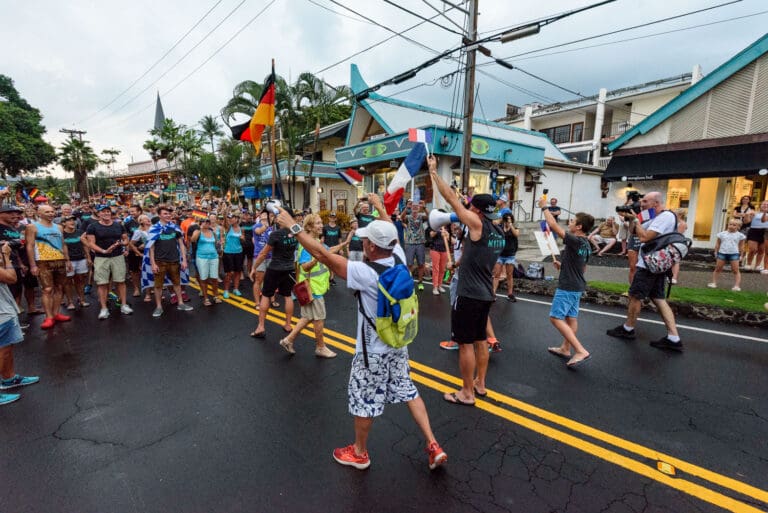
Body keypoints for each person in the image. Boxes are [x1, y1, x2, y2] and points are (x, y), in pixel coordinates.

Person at [274, 195, 447, 471]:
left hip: (373, 351)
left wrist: (292, 227)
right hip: (398, 343)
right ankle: (433, 444)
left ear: (369, 245)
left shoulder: (365, 272)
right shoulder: (399, 257)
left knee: (364, 401)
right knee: (408, 390)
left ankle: (359, 453)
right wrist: (380, 207)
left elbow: (322, 254)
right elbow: (389, 229)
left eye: (366, 240)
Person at [429, 155, 504, 406]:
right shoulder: (499, 230)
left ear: (477, 211)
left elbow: (451, 199)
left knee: (465, 344)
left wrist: (433, 172)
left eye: (471, 206)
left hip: (469, 293)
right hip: (485, 293)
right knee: (482, 340)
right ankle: (480, 384)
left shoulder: (477, 223)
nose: (468, 209)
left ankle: (466, 393)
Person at [607, 192, 683, 351]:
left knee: (635, 295)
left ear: (656, 202)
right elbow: (635, 232)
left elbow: (645, 237)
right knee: (658, 298)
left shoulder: (665, 217)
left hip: (649, 264)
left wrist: (635, 220)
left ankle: (628, 329)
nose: (642, 204)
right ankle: (674, 338)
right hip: (655, 264)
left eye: (645, 201)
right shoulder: (656, 217)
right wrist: (631, 218)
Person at [278, 213, 345, 358]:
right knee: (318, 318)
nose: (322, 226)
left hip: (314, 287)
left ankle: (288, 340)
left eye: (321, 223)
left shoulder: (314, 241)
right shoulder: (307, 244)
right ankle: (320, 347)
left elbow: (328, 251)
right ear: (309, 227)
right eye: (318, 223)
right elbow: (305, 267)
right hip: (313, 288)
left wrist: (345, 243)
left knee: (307, 317)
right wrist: (316, 259)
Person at [539, 199, 594, 368]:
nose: (570, 223)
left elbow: (553, 226)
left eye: (572, 221)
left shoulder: (576, 240)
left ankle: (579, 350)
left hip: (568, 286)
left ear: (579, 227)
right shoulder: (587, 245)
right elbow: (581, 267)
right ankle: (565, 348)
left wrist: (544, 208)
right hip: (577, 285)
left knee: (555, 318)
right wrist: (563, 267)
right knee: (571, 318)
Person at [0, 241, 38, 405]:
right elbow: (11, 277)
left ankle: (9, 379)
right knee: (2, 349)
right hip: (1, 313)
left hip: (4, 308)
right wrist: (7, 257)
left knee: (7, 347)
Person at [249, 211, 298, 338]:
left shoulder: (276, 234)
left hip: (275, 268)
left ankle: (261, 327)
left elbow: (263, 254)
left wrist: (254, 268)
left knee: (265, 296)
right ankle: (288, 324)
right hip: (289, 268)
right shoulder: (296, 231)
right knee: (287, 296)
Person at [26, 204, 73, 330]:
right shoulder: (32, 227)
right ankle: (49, 316)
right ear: (39, 213)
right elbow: (29, 246)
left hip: (59, 260)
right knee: (47, 289)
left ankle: (56, 313)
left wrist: (67, 260)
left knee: (59, 287)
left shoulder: (59, 227)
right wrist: (33, 265)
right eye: (47, 212)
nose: (51, 214)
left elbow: (63, 244)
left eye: (52, 211)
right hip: (43, 261)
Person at [85, 205, 132, 320]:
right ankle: (104, 308)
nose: (106, 213)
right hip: (101, 258)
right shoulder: (92, 226)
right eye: (103, 212)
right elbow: (91, 243)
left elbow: (126, 239)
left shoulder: (118, 225)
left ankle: (124, 305)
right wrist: (104, 251)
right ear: (99, 214)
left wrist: (121, 244)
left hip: (118, 257)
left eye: (108, 211)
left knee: (121, 281)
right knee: (102, 283)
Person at [147, 205, 193, 317]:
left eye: (169, 214)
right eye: (165, 213)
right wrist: (152, 263)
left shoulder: (175, 227)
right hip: (160, 261)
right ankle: (158, 307)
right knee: (158, 286)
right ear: (159, 215)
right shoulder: (154, 229)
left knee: (177, 283)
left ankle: (180, 303)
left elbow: (181, 244)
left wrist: (184, 260)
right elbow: (151, 247)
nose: (168, 215)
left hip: (174, 260)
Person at [708, 218, 747, 291]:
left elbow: (741, 246)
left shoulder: (740, 236)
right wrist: (716, 252)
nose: (731, 226)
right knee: (718, 269)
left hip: (734, 254)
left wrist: (741, 255)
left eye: (734, 225)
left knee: (735, 270)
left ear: (738, 227)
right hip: (722, 253)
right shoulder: (722, 234)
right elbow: (718, 243)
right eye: (730, 224)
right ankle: (713, 283)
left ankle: (737, 286)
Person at [61, 215, 91, 310]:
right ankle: (70, 301)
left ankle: (81, 300)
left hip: (81, 258)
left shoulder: (80, 232)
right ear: (64, 223)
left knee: (80, 280)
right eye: (69, 220)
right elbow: (61, 247)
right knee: (68, 282)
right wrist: (67, 260)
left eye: (73, 220)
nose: (72, 222)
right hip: (68, 261)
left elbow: (85, 246)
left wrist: (88, 257)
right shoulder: (61, 234)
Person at [190, 218, 221, 306]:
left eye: (208, 222)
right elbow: (192, 240)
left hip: (214, 257)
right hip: (202, 257)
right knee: (204, 278)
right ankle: (206, 298)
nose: (206, 223)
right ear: (200, 223)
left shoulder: (213, 233)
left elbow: (216, 244)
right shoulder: (198, 232)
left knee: (214, 278)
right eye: (204, 222)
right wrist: (199, 229)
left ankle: (216, 296)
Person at [492, 213, 519, 301]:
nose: (508, 220)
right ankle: (493, 293)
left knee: (509, 275)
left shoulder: (514, 227)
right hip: (499, 254)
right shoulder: (500, 226)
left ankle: (510, 294)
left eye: (510, 218)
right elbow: (493, 224)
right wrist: (500, 220)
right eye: (507, 219)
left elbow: (516, 234)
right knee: (496, 275)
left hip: (510, 255)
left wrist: (510, 225)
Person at [401, 206, 427, 290]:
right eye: (413, 206)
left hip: (420, 243)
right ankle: (409, 282)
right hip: (410, 243)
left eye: (416, 206)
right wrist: (406, 208)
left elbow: (429, 216)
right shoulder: (408, 217)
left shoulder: (421, 216)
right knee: (409, 264)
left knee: (421, 264)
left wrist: (424, 207)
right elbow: (401, 218)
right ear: (411, 208)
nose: (415, 208)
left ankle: (420, 282)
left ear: (419, 208)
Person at [251, 211, 273, 309]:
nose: (265, 216)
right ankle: (257, 303)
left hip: (270, 256)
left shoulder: (272, 227)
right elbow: (258, 231)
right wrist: (266, 225)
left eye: (267, 215)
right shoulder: (256, 226)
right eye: (263, 214)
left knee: (271, 279)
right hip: (259, 256)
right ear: (260, 216)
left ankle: (272, 300)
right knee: (258, 280)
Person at [221, 214, 245, 299]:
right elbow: (225, 219)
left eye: (232, 218)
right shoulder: (228, 227)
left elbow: (243, 239)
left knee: (238, 272)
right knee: (229, 273)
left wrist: (242, 238)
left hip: (239, 252)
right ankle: (226, 290)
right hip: (228, 253)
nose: (230, 219)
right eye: (230, 218)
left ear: (237, 219)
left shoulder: (241, 229)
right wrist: (225, 211)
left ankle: (236, 289)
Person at [744, 200, 767, 272]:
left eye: (767, 204)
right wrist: (747, 214)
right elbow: (746, 221)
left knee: (761, 250)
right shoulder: (754, 212)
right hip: (754, 230)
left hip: (766, 232)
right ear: (760, 205)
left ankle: (757, 265)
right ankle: (748, 264)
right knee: (752, 249)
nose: (765, 205)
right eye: (764, 204)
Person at [427, 223, 450, 295]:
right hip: (435, 249)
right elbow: (431, 235)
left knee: (442, 269)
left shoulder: (446, 227)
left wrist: (446, 234)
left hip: (444, 250)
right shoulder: (434, 226)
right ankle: (435, 287)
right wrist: (438, 230)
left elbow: (448, 239)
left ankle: (440, 285)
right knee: (436, 268)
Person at [321, 211, 342, 285]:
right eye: (331, 217)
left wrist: (341, 248)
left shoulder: (338, 228)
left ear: (335, 218)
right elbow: (323, 237)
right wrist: (321, 245)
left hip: (335, 248)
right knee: (326, 263)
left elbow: (339, 238)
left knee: (332, 264)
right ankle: (326, 278)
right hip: (327, 248)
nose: (332, 218)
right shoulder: (325, 227)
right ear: (328, 218)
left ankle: (331, 278)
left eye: (334, 217)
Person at [670, 209, 688, 284]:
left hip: (678, 243)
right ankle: (670, 276)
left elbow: (677, 235)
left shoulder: (682, 224)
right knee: (672, 260)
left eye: (675, 214)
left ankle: (674, 278)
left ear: (680, 215)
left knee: (676, 260)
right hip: (673, 243)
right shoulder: (676, 222)